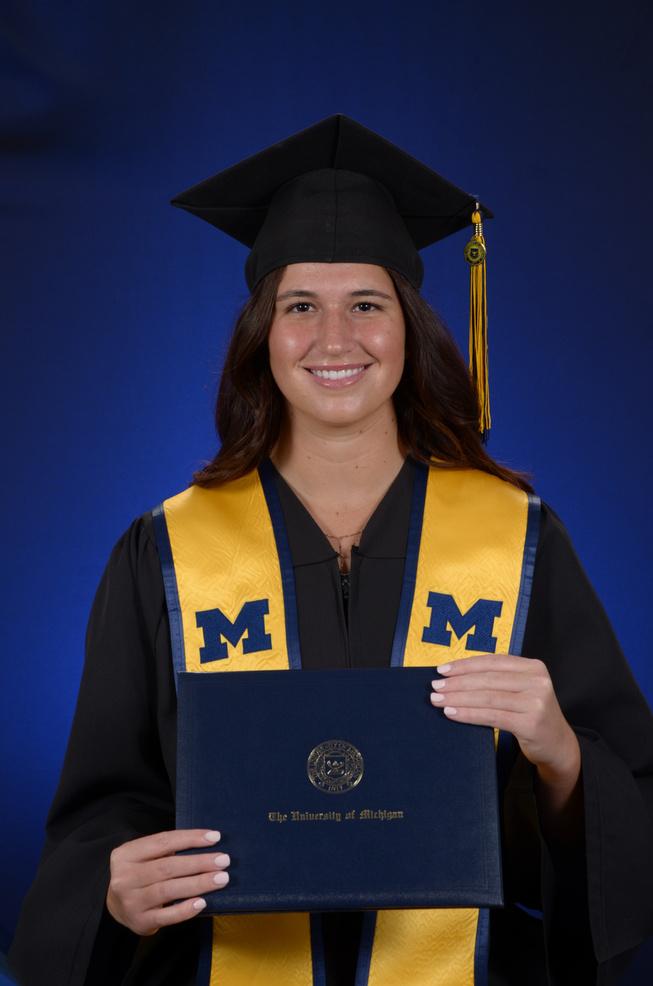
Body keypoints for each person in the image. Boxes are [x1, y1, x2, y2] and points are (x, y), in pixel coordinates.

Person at [9, 115, 653, 986]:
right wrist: (111, 890)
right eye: (301, 306)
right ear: (263, 334)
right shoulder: (168, 549)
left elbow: (620, 815)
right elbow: (106, 804)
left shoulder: (515, 536)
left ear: (408, 328)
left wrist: (562, 756)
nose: (335, 339)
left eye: (367, 305)